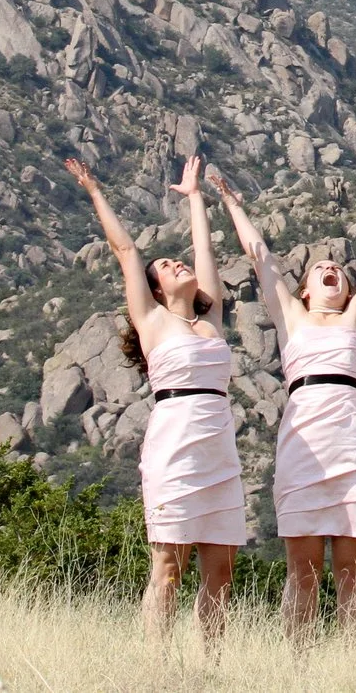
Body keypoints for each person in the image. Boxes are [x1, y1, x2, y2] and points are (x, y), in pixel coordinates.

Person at [214, 156, 356, 636]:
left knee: (353, 571)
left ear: (348, 288)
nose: (329, 267)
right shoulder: (291, 316)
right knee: (303, 571)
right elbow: (259, 255)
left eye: (335, 267)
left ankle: (353, 668)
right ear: (305, 291)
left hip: (352, 439)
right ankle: (299, 669)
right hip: (303, 439)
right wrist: (230, 201)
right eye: (317, 268)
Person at [65, 152, 245, 643]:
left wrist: (195, 199)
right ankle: (156, 664)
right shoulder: (153, 321)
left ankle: (209, 666)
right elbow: (126, 251)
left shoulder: (209, 321)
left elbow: (205, 251)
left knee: (221, 571)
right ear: (156, 289)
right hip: (174, 447)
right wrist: (96, 192)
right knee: (169, 566)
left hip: (219, 450)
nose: (176, 263)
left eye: (175, 260)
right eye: (165, 265)